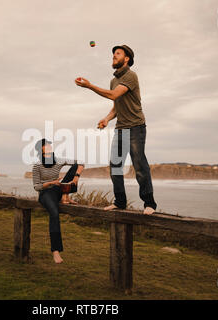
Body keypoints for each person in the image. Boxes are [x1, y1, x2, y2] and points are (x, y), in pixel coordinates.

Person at [74, 44, 157, 215]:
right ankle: (120, 202)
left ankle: (149, 204)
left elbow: (114, 95)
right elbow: (116, 105)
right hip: (121, 128)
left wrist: (89, 86)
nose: (113, 56)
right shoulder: (113, 81)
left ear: (126, 59)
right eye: (113, 53)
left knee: (139, 165)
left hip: (136, 127)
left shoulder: (131, 76)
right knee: (115, 166)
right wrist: (106, 119)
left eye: (117, 53)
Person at [32, 138, 84, 264]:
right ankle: (55, 251)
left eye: (50, 145)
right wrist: (51, 182)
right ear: (41, 151)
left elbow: (81, 162)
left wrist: (76, 177)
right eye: (46, 146)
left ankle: (65, 196)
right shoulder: (37, 165)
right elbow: (36, 186)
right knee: (54, 214)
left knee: (75, 167)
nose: (49, 147)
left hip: (57, 189)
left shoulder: (59, 160)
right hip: (45, 193)